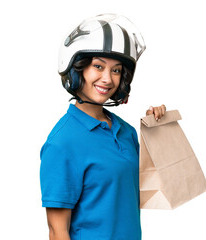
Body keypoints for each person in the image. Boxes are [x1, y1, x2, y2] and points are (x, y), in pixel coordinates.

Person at [40, 13, 166, 240]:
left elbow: (154, 188)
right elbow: (57, 231)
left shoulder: (126, 132)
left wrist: (158, 132)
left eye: (116, 70)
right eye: (98, 66)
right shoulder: (62, 143)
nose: (107, 78)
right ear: (77, 69)